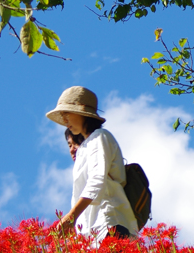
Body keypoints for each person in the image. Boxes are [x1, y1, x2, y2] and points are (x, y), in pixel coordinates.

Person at [46, 86, 138, 240]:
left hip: (109, 223)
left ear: (81, 111)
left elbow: (96, 181)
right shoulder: (86, 147)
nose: (64, 120)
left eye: (66, 113)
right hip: (94, 233)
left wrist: (71, 216)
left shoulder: (100, 137)